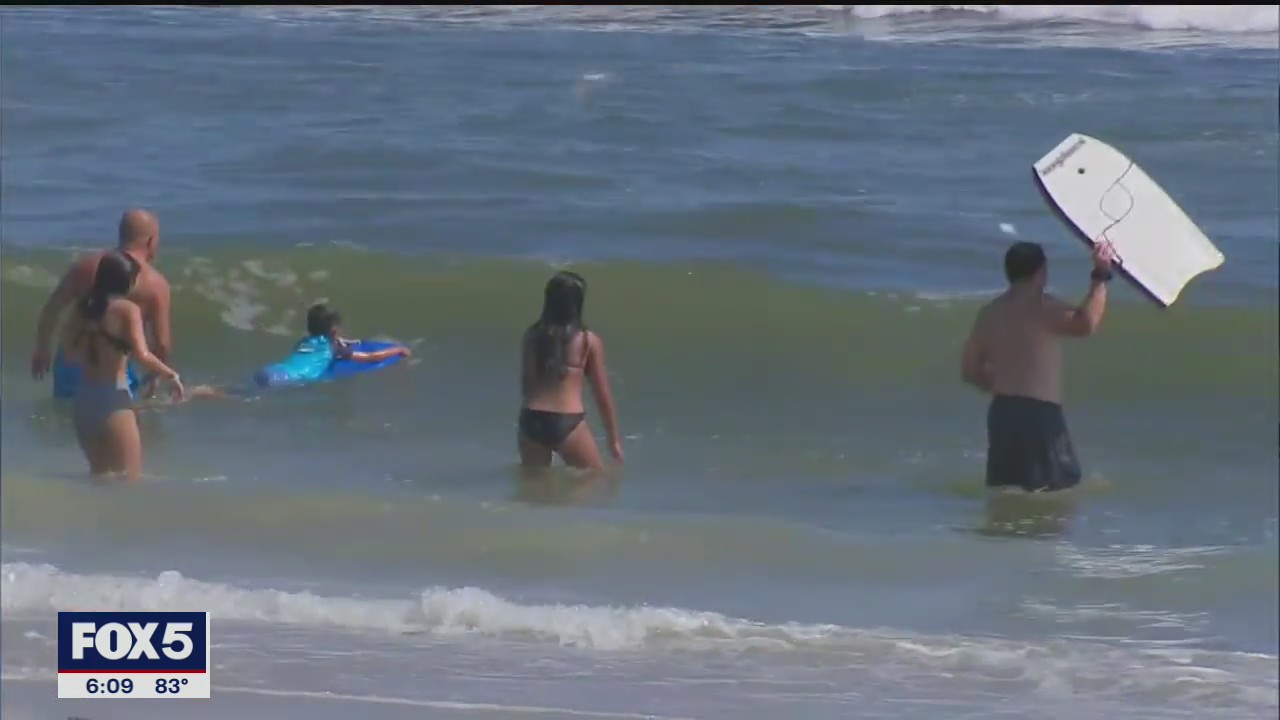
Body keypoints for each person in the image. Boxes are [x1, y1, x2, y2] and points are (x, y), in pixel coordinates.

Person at [961, 239, 1117, 492]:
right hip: (1039, 416)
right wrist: (1100, 276)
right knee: (1057, 490)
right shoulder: (1043, 306)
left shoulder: (989, 313)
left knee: (1008, 490)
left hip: (1002, 413)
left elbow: (969, 370)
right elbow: (1085, 324)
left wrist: (1005, 387)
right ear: (1040, 272)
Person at [59, 250, 185, 481]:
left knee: (99, 478)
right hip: (112, 401)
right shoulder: (127, 309)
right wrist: (170, 374)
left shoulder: (80, 308)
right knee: (130, 480)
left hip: (83, 402)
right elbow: (142, 354)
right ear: (128, 280)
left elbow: (68, 353)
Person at [31, 209, 173, 400]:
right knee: (121, 424)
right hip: (111, 369)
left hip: (71, 361)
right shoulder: (156, 284)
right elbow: (162, 344)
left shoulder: (86, 264)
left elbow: (53, 308)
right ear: (151, 241)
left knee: (69, 421)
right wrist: (156, 379)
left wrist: (42, 348)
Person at [518, 271, 623, 469]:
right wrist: (614, 440)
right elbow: (602, 394)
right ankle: (570, 501)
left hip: (530, 419)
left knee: (533, 489)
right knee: (596, 479)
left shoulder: (532, 336)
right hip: (565, 420)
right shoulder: (587, 341)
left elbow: (527, 385)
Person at [250, 303, 410, 389]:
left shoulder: (303, 342)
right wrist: (399, 349)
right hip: (288, 380)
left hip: (272, 370)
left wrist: (336, 341)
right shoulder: (334, 350)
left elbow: (311, 352)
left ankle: (224, 393)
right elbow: (371, 358)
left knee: (244, 390)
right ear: (334, 330)